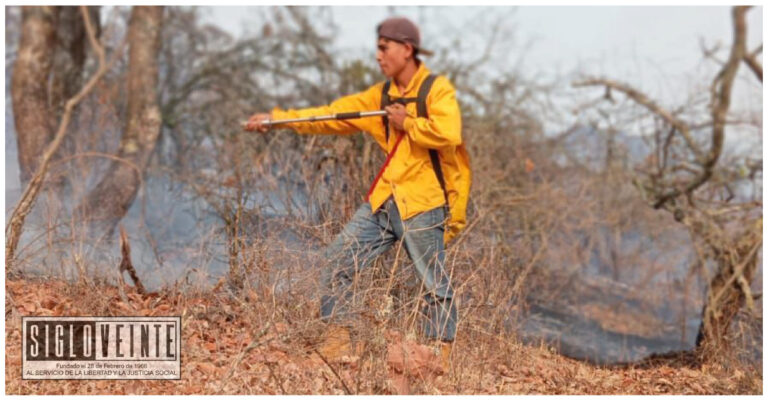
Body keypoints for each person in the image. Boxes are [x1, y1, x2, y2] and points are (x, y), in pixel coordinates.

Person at [245, 16, 471, 371]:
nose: (379, 56)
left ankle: (439, 354)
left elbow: (449, 134)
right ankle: (338, 340)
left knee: (432, 281)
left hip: (425, 203)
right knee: (338, 260)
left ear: (406, 49)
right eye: (378, 48)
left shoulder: (437, 91)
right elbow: (331, 115)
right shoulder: (379, 95)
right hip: (384, 201)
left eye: (385, 48)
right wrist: (276, 119)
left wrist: (407, 123)